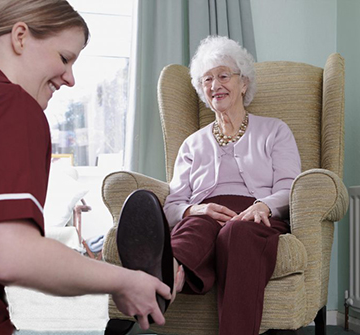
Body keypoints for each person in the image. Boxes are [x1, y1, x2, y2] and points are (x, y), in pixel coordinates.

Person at [0, 1, 171, 334]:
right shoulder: (6, 104)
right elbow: (10, 253)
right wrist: (124, 281)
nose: (71, 78)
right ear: (20, 36)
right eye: (65, 58)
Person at [117, 35, 301, 335]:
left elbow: (290, 189)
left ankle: (159, 284)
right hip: (206, 216)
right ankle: (164, 276)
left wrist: (262, 205)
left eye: (224, 75)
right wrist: (194, 209)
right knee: (197, 225)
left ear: (243, 83)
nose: (215, 84)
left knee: (236, 233)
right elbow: (174, 204)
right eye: (207, 79)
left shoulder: (274, 131)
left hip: (256, 219)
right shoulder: (193, 144)